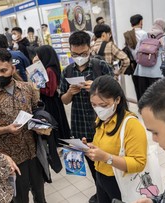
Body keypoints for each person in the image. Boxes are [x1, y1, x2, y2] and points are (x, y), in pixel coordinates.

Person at [0, 49, 46, 203]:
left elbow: (38, 112)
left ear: (13, 69)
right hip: (12, 159)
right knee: (20, 198)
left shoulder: (28, 88)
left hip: (34, 152)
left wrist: (41, 125)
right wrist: (6, 129)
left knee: (40, 194)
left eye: (4, 70)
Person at [60, 31, 114, 203]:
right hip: (79, 125)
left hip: (103, 125)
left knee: (107, 164)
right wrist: (69, 92)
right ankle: (101, 194)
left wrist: (97, 88)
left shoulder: (100, 66)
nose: (79, 57)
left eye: (83, 54)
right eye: (74, 54)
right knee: (92, 165)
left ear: (89, 48)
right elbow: (64, 100)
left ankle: (109, 194)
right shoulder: (67, 70)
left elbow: (114, 93)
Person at [85, 75, 147, 203]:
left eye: (103, 105)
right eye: (94, 105)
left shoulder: (131, 124)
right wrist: (90, 147)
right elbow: (104, 145)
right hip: (100, 176)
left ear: (117, 99)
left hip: (119, 180)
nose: (98, 110)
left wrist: (106, 157)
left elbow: (139, 163)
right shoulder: (102, 119)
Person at [33, 45, 71, 142]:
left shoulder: (50, 70)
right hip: (51, 101)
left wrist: (36, 88)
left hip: (51, 102)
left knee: (53, 124)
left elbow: (50, 91)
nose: (36, 57)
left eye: (38, 55)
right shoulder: (47, 68)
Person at [133, 19, 165, 100]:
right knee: (157, 99)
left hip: (141, 72)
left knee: (144, 98)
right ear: (163, 28)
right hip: (156, 73)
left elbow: (136, 52)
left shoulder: (144, 36)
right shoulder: (164, 38)